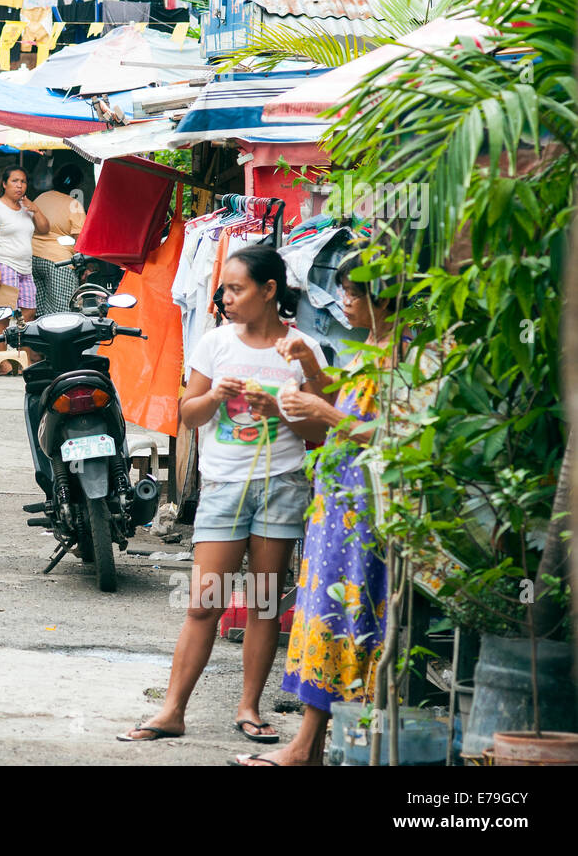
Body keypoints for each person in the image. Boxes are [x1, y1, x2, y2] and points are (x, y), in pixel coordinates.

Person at [118, 245, 326, 744]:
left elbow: (321, 428)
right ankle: (171, 711)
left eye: (236, 289)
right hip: (224, 486)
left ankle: (249, 708)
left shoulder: (302, 350)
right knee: (203, 603)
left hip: (282, 485)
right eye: (225, 288)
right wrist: (213, 397)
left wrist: (279, 409)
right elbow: (188, 416)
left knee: (263, 603)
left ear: (269, 291)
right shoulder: (215, 344)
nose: (225, 297)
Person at [234, 250, 435, 766]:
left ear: (383, 296)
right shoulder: (370, 344)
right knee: (324, 616)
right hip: (338, 506)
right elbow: (343, 410)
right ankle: (312, 746)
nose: (343, 301)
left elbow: (398, 435)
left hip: (372, 512)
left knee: (351, 619)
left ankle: (316, 747)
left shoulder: (413, 355)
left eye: (353, 292)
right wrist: (305, 369)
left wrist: (321, 409)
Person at [0, 165, 50, 375]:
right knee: (2, 315)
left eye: (23, 181)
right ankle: (2, 362)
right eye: (15, 181)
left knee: (28, 314)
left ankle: (21, 357)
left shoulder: (26, 208)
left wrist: (34, 208)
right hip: (3, 265)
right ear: (4, 183)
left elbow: (45, 229)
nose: (20, 185)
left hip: (25, 269)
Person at [30, 164, 86, 318]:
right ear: (77, 184)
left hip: (33, 259)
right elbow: (80, 240)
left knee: (38, 313)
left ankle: (39, 342)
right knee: (60, 315)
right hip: (59, 262)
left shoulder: (41, 197)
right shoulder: (74, 205)